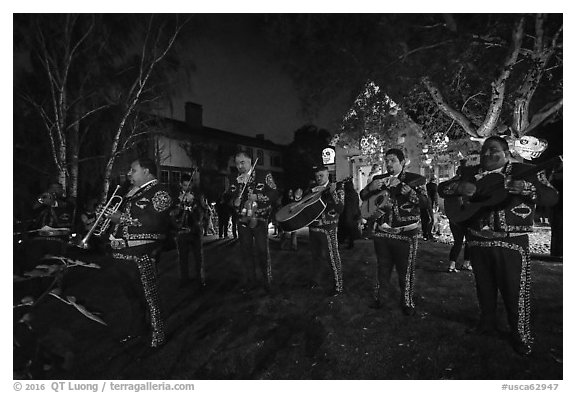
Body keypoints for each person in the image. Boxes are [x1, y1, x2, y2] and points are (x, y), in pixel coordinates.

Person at [438, 136, 558, 356]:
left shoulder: (527, 170)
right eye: (484, 151)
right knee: (484, 287)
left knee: (515, 290)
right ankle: (486, 323)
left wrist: (527, 188)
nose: (486, 155)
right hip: (477, 239)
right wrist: (459, 187)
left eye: (493, 151)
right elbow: (443, 189)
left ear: (506, 153)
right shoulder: (470, 172)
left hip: (511, 240)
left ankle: (520, 333)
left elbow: (551, 197)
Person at [106, 157, 173, 348]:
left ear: (146, 171)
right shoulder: (131, 193)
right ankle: (138, 329)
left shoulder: (160, 191)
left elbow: (153, 220)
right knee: (132, 295)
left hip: (143, 251)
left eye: (133, 170)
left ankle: (157, 334)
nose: (129, 174)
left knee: (149, 294)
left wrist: (123, 219)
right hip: (121, 251)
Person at [360, 148, 428, 315]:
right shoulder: (378, 179)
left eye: (393, 160)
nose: (389, 164)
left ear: (402, 162)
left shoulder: (415, 179)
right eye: (387, 161)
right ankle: (380, 298)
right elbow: (363, 197)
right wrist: (369, 187)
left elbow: (425, 203)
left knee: (406, 270)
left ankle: (407, 301)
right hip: (382, 232)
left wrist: (410, 193)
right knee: (382, 268)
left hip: (405, 232)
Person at [228, 151, 279, 291]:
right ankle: (251, 281)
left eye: (242, 162)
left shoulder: (263, 174)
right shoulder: (233, 178)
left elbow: (274, 193)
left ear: (250, 161)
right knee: (246, 251)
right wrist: (234, 201)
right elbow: (228, 197)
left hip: (260, 218)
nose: (240, 166)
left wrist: (258, 197)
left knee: (262, 250)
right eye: (237, 163)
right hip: (242, 219)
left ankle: (266, 280)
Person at [307, 166, 345, 296]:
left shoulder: (338, 188)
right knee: (315, 256)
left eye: (321, 175)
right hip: (313, 227)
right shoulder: (310, 189)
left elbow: (340, 208)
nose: (318, 179)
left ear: (327, 175)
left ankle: (338, 285)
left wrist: (333, 193)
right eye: (317, 176)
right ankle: (316, 280)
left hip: (329, 228)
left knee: (332, 256)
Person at [172, 172, 208, 290]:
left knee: (198, 257)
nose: (187, 188)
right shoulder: (175, 196)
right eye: (184, 186)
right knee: (183, 258)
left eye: (189, 186)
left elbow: (203, 211)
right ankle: (184, 279)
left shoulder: (197, 196)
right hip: (182, 232)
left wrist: (194, 204)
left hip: (195, 230)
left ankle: (200, 279)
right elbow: (172, 214)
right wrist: (179, 205)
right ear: (180, 185)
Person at [338, 180, 361, 249]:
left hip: (345, 214)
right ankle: (351, 243)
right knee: (351, 231)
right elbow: (357, 204)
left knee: (342, 230)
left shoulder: (345, 195)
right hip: (354, 214)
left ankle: (340, 243)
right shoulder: (355, 194)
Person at [421, 176, 438, 241]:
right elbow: (435, 196)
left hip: (422, 205)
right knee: (431, 219)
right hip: (429, 204)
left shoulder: (425, 186)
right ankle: (429, 234)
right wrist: (436, 204)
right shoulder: (434, 186)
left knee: (424, 220)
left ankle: (425, 235)